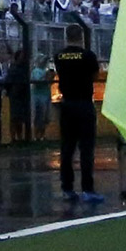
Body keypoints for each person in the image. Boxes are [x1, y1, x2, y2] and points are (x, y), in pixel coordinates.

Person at [52, 38, 99, 201]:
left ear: (66, 37)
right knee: (86, 148)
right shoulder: (88, 55)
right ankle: (87, 189)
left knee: (67, 148)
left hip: (67, 103)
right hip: (84, 102)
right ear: (80, 36)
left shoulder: (59, 56)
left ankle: (67, 188)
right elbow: (95, 75)